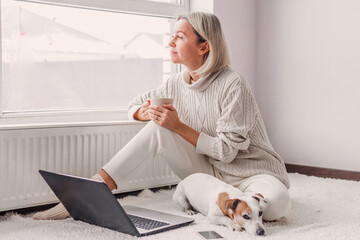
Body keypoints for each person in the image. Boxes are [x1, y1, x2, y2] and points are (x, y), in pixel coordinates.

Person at [33, 12, 290, 222]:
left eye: (179, 37)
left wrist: (177, 126)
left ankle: (227, 201)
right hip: (211, 173)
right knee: (158, 129)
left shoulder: (233, 84)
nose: (170, 43)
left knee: (276, 206)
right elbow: (134, 104)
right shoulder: (176, 83)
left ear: (204, 46)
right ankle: (86, 195)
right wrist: (143, 112)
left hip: (253, 173)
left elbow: (227, 152)